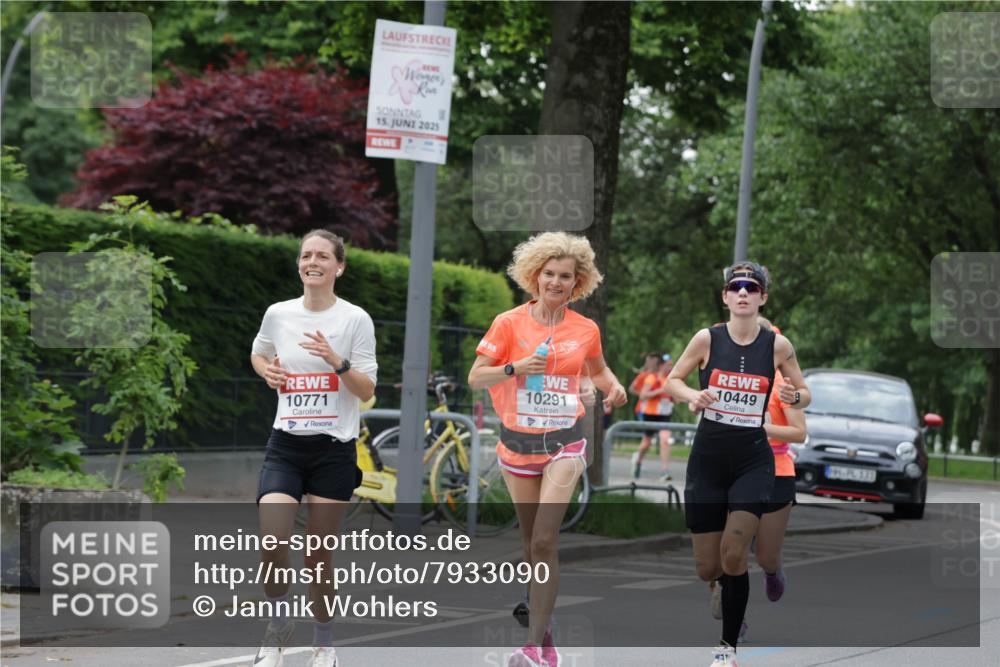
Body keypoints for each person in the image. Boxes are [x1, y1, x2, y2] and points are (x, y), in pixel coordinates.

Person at [468, 232, 627, 667]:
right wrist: (516, 367)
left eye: (565, 277)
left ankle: (533, 647)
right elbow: (476, 378)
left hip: (565, 443)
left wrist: (612, 386)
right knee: (529, 544)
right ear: (534, 277)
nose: (556, 283)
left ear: (577, 285)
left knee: (544, 539)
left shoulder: (585, 328)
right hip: (518, 444)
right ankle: (546, 632)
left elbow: (598, 369)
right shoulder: (509, 323)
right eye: (549, 275)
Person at [664, 261, 810, 667]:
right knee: (707, 565)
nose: (743, 293)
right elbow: (672, 380)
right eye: (735, 287)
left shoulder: (778, 346)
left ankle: (727, 650)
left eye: (751, 287)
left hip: (753, 460)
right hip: (708, 460)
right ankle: (725, 592)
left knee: (733, 555)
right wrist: (691, 396)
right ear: (726, 297)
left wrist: (794, 398)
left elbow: (803, 393)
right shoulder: (706, 339)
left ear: (762, 298)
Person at [249, 229, 377, 667]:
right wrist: (269, 373)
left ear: (339, 267)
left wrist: (334, 361)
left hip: (333, 451)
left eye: (323, 256)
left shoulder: (355, 319)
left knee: (318, 553)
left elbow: (366, 388)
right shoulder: (278, 314)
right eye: (306, 255)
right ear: (299, 265)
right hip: (285, 444)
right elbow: (259, 353)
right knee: (272, 539)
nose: (313, 262)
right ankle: (278, 624)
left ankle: (324, 643)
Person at [755, 317, 806, 602]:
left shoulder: (783, 385)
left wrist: (761, 428)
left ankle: (773, 570)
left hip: (777, 472)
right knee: (729, 553)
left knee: (766, 556)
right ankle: (734, 617)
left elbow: (799, 432)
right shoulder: (728, 377)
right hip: (734, 468)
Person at [631, 353, 675, 480]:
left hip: (665, 415)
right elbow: (642, 396)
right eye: (667, 365)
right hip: (650, 414)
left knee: (665, 440)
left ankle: (664, 471)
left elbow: (676, 399)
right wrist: (660, 391)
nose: (670, 368)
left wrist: (677, 396)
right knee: (646, 443)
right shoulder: (651, 378)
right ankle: (638, 461)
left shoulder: (671, 380)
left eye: (671, 365)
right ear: (661, 366)